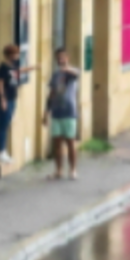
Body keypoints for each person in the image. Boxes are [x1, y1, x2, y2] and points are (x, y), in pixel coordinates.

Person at [42, 48, 82, 180]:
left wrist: (66, 69)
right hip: (56, 112)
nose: (60, 60)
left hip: (69, 112)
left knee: (70, 142)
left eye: (63, 57)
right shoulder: (55, 75)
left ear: (67, 58)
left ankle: (73, 170)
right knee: (57, 143)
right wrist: (46, 112)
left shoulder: (73, 72)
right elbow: (51, 94)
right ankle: (58, 170)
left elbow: (77, 74)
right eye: (58, 58)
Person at [0, 44, 27, 165]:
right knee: (2, 124)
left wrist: (33, 68)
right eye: (15, 54)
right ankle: (0, 151)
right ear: (9, 55)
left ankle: (3, 150)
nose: (17, 56)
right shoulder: (3, 68)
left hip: (12, 98)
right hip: (6, 99)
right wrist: (2, 99)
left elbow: (19, 71)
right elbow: (0, 84)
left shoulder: (14, 65)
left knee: (7, 123)